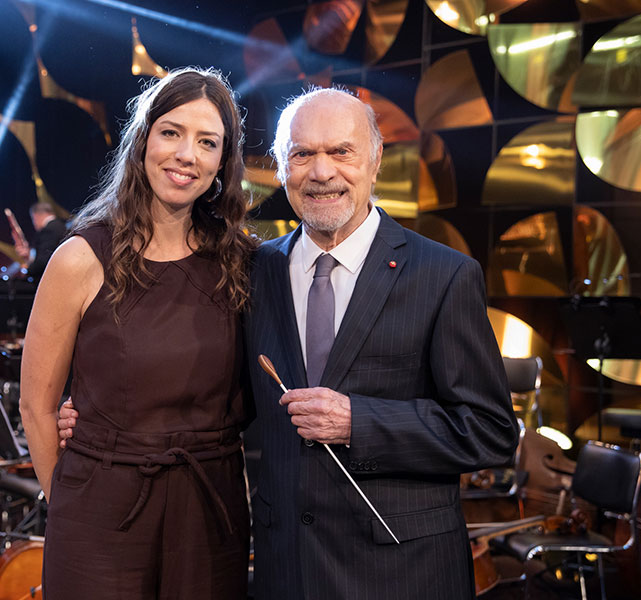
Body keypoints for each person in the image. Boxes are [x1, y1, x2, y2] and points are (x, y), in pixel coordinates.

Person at [60, 87, 519, 599]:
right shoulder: (254, 270)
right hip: (285, 570)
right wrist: (103, 415)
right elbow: (217, 389)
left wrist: (358, 422)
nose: (321, 172)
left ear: (375, 160)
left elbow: (491, 431)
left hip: (403, 572)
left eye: (340, 152)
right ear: (280, 168)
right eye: (302, 154)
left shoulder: (444, 274)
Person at [20, 67, 256, 599]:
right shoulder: (80, 259)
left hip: (210, 509)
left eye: (207, 142)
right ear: (143, 138)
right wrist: (73, 506)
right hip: (101, 513)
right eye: (171, 132)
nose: (185, 154)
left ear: (223, 161)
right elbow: (36, 407)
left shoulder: (243, 262)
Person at [11, 202, 68, 281]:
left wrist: (27, 270)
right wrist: (30, 255)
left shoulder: (49, 230)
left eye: (33, 219)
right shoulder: (61, 226)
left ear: (36, 215)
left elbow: (44, 261)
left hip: (50, 280)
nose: (34, 223)